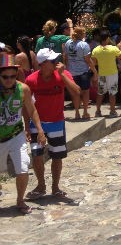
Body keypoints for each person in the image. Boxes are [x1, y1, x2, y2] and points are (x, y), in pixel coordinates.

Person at [25, 48, 80, 201]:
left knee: (57, 156)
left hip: (57, 122)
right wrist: (27, 127)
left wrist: (62, 75)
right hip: (37, 123)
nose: (57, 62)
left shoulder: (63, 74)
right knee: (37, 155)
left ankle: (55, 187)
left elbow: (77, 92)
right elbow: (26, 105)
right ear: (42, 64)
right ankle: (41, 185)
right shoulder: (31, 80)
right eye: (53, 61)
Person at [0, 53, 46, 214]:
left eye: (12, 76)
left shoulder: (23, 89)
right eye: (5, 77)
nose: (9, 80)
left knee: (23, 169)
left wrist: (39, 130)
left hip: (16, 135)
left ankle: (20, 200)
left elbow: (32, 110)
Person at [63, 26, 97, 120]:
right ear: (81, 34)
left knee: (75, 94)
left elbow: (65, 57)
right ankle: (85, 112)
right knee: (85, 92)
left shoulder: (68, 43)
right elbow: (88, 60)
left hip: (71, 72)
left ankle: (77, 112)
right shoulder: (84, 44)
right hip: (83, 72)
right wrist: (94, 71)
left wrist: (67, 68)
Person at [91, 29, 121, 117]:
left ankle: (97, 111)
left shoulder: (96, 50)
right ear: (108, 38)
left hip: (101, 74)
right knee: (112, 93)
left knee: (100, 93)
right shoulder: (113, 48)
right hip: (112, 74)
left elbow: (94, 63)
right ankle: (112, 111)